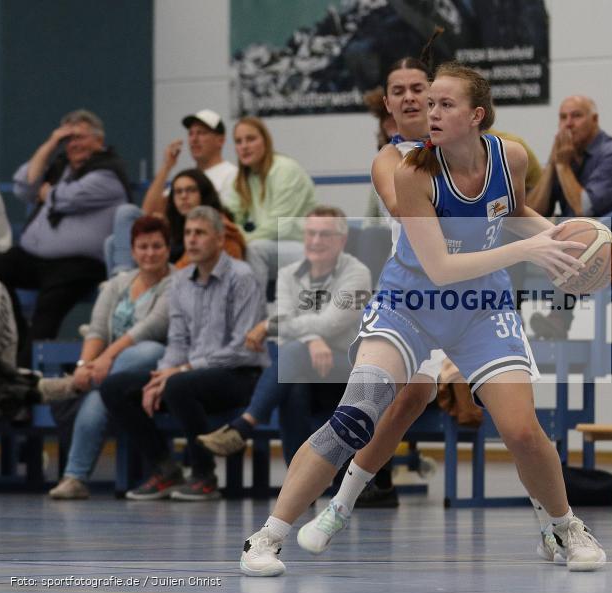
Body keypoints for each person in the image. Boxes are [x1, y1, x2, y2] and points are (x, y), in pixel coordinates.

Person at [239, 62, 606, 577]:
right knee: (357, 413)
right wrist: (532, 249)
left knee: (522, 430)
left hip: (480, 310)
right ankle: (269, 535)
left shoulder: (512, 156)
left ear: (477, 115)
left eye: (441, 102)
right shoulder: (407, 170)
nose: (430, 110)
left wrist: (573, 247)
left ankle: (565, 527)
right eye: (423, 101)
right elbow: (441, 266)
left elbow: (514, 212)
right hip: (410, 305)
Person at [101, 206, 268, 501]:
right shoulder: (180, 281)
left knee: (179, 385)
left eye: (200, 233)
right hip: (191, 373)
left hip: (239, 375)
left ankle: (204, 476)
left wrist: (180, 371)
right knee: (115, 387)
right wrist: (160, 375)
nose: (191, 240)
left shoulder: (242, 277)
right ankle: (164, 468)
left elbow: (243, 348)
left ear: (218, 239)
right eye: (188, 233)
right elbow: (177, 340)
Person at [197, 206, 371, 463]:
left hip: (345, 367)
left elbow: (330, 323)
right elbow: (287, 327)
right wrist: (310, 339)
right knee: (294, 384)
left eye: (324, 235)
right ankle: (299, 482)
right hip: (304, 365)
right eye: (310, 233)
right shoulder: (288, 274)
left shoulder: (357, 274)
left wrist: (269, 326)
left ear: (342, 240)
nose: (315, 241)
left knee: (291, 354)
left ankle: (245, 424)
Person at [37, 216, 173, 499]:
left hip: (155, 367)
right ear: (133, 251)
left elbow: (149, 329)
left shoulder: (176, 284)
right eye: (143, 247)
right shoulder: (117, 284)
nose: (150, 253)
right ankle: (74, 479)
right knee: (100, 396)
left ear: (168, 249)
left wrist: (103, 362)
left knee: (149, 349)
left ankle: (77, 388)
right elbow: (97, 329)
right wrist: (84, 366)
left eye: (157, 246)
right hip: (112, 373)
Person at [0, 109, 131, 366]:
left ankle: (24, 378)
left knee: (49, 309)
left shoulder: (109, 172)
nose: (73, 144)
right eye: (67, 139)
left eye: (79, 137)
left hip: (78, 265)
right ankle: (17, 339)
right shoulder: (61, 168)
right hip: (34, 259)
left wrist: (49, 193)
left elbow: (66, 198)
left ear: (98, 140)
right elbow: (24, 186)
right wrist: (50, 143)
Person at [526, 95, 612, 339]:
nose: (568, 124)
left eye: (576, 116)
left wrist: (562, 166)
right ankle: (509, 321)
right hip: (582, 244)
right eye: (562, 117)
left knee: (582, 235)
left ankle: (559, 318)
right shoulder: (565, 156)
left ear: (595, 120)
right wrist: (552, 163)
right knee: (518, 236)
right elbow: (534, 210)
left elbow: (584, 208)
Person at [106, 109, 239, 275]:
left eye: (201, 133)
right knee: (117, 235)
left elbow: (220, 220)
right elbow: (148, 212)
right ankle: (123, 277)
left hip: (198, 238)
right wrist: (167, 166)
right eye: (190, 134)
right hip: (176, 235)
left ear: (220, 140)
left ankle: (124, 282)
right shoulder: (184, 178)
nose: (194, 139)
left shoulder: (232, 174)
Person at [225, 116, 316, 291]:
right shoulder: (244, 178)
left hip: (307, 246)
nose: (244, 146)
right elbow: (231, 216)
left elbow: (279, 227)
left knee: (254, 248)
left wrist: (239, 240)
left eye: (250, 139)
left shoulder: (284, 169)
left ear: (265, 141)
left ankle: (254, 310)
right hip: (276, 246)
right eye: (238, 141)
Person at [163, 170, 245, 267]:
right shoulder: (172, 227)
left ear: (204, 193)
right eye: (178, 192)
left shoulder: (222, 231)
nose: (183, 196)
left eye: (191, 190)